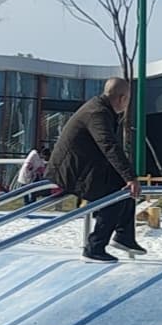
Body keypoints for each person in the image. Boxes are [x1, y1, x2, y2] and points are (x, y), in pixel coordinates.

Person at [48, 77, 144, 262]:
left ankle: (124, 236)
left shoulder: (99, 108)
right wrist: (130, 177)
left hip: (82, 168)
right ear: (123, 98)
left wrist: (128, 177)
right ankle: (95, 247)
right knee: (115, 194)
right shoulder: (97, 113)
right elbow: (108, 145)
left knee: (122, 186)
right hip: (71, 173)